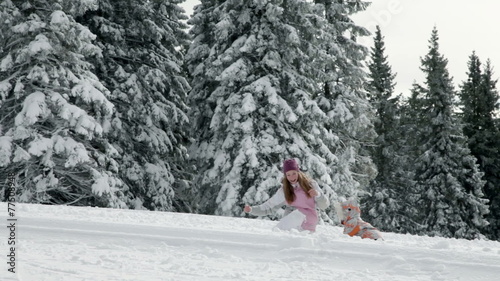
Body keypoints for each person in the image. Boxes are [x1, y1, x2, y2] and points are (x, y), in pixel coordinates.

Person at [244, 158, 329, 232]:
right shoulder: (285, 190)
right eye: (288, 175)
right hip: (291, 222)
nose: (292, 177)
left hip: (307, 219)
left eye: (294, 173)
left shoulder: (311, 185)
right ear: (285, 176)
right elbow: (269, 206)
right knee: (281, 237)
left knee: (286, 226)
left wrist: (318, 195)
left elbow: (324, 205)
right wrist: (252, 209)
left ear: (298, 172)